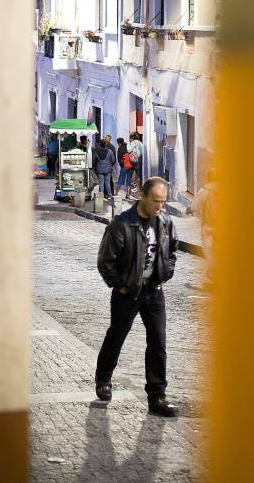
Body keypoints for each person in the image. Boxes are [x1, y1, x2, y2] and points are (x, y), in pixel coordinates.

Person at [93, 177, 180, 417]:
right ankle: (103, 379)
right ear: (142, 196)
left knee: (158, 343)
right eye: (155, 201)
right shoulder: (122, 224)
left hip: (154, 291)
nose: (159, 207)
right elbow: (105, 261)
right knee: (117, 336)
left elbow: (172, 249)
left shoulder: (165, 221)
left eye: (163, 201)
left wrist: (166, 272)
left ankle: (157, 397)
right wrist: (120, 285)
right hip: (127, 293)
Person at [126, 133, 144, 199]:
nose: (129, 139)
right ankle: (138, 190)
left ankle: (128, 193)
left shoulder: (133, 142)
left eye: (129, 138)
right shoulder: (140, 143)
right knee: (139, 175)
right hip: (139, 159)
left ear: (131, 138)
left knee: (129, 176)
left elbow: (129, 150)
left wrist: (128, 144)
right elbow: (142, 152)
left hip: (134, 160)